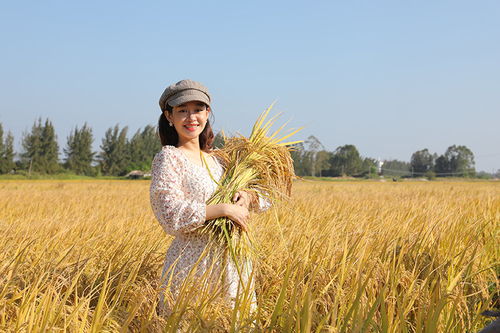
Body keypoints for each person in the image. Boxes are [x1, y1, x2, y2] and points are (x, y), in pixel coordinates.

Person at [150, 79, 267, 316]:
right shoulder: (169, 158)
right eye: (182, 110)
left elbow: (266, 197)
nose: (191, 117)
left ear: (208, 113)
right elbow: (168, 212)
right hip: (193, 264)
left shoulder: (220, 160)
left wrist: (247, 197)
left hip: (234, 264)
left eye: (197, 110)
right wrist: (223, 209)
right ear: (169, 116)